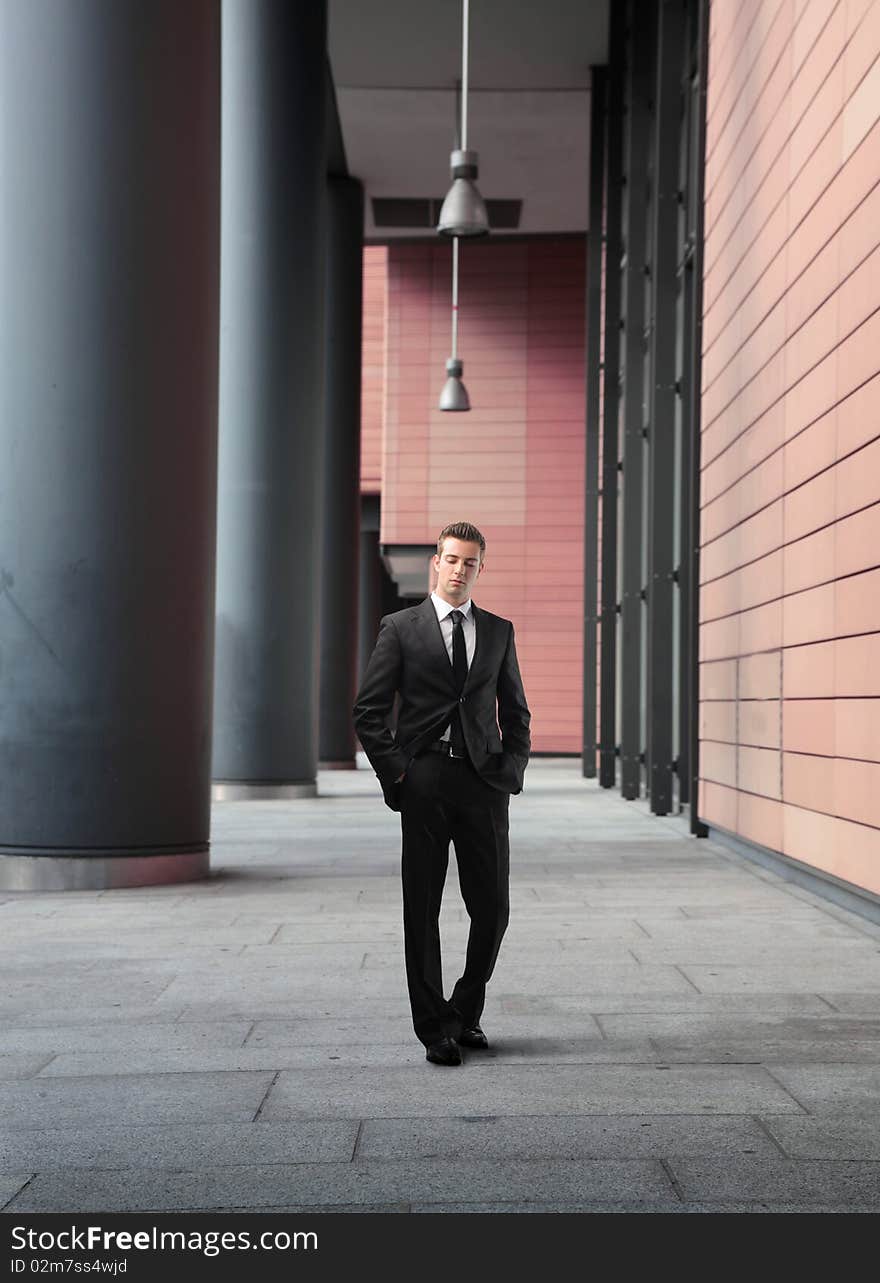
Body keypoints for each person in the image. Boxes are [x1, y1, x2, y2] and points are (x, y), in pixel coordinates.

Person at [353, 521, 531, 1066]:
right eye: (451, 559)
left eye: (469, 562)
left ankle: (465, 1010)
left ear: (481, 568)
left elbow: (515, 710)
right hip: (425, 781)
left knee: (493, 908)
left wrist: (510, 770)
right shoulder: (401, 628)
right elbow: (369, 710)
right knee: (422, 908)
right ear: (436, 562)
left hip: (482, 784)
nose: (459, 570)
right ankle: (435, 1029)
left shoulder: (498, 632)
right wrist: (398, 774)